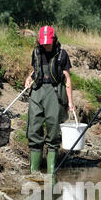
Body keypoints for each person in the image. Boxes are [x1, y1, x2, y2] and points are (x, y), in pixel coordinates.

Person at [25, 26, 74, 174]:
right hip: (37, 92)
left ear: (53, 39)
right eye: (43, 42)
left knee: (53, 130)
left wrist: (70, 102)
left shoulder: (62, 54)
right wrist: (29, 78)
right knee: (34, 127)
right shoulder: (36, 52)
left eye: (48, 42)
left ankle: (51, 171)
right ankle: (34, 170)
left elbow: (67, 79)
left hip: (55, 93)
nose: (45, 45)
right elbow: (36, 69)